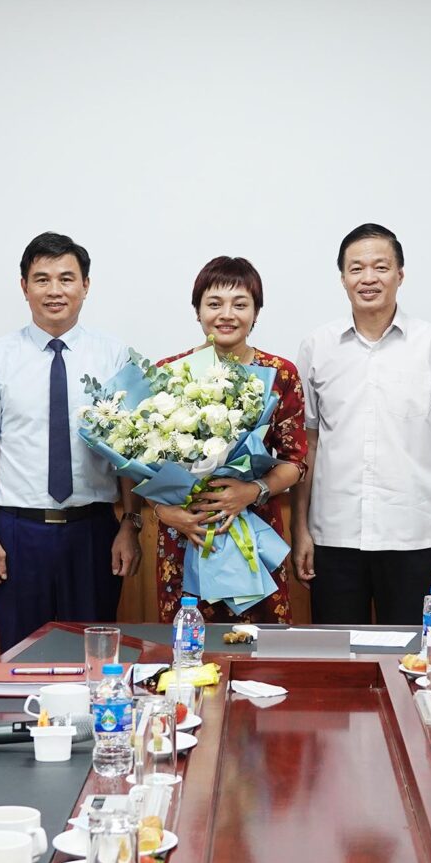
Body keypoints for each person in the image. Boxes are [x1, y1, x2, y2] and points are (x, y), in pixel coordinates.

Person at [0, 232, 141, 649]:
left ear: (85, 286)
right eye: (42, 279)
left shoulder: (114, 356)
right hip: (18, 533)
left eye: (66, 278)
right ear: (24, 287)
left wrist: (130, 525)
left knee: (94, 656)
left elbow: (129, 452)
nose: (54, 290)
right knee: (22, 655)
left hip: (93, 532)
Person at [293, 224, 431, 625]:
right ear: (343, 278)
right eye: (356, 268)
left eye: (380, 267)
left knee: (413, 654)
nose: (368, 278)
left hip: (414, 535)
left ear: (400, 274)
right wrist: (300, 528)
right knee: (338, 655)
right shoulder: (317, 346)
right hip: (334, 534)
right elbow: (308, 443)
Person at [154, 257, 307, 625]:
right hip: (186, 532)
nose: (227, 314)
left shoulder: (280, 374)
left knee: (261, 647)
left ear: (256, 312)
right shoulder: (168, 374)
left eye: (240, 304)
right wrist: (163, 512)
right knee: (186, 645)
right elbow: (144, 461)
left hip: (255, 529)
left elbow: (295, 462)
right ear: (197, 310)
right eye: (214, 303)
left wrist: (250, 491)